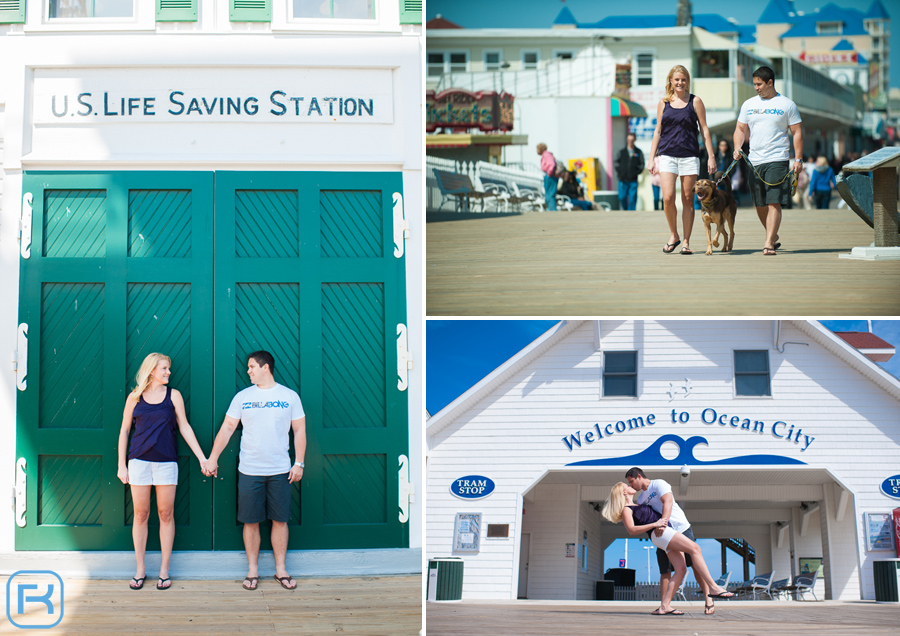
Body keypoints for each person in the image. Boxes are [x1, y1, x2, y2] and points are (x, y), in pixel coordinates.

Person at [205, 351, 306, 591]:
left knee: (280, 521)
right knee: (250, 522)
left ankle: (281, 570)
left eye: (252, 367)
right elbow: (228, 427)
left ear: (266, 367)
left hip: (281, 471)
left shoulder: (289, 396)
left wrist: (299, 462)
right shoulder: (243, 397)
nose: (248, 371)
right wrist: (213, 457)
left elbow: (300, 430)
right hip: (249, 470)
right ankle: (253, 570)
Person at [117, 353, 209, 591]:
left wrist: (202, 457)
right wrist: (121, 465)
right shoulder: (134, 397)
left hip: (166, 462)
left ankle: (164, 570)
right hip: (138, 462)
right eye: (164, 369)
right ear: (151, 370)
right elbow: (124, 431)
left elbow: (185, 427)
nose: (169, 372)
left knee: (165, 513)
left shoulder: (174, 396)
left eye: (168, 368)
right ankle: (140, 569)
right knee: (141, 514)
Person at [625, 468, 734, 615]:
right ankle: (664, 605)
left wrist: (663, 521)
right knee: (666, 570)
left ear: (639, 476)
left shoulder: (658, 484)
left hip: (680, 528)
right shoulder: (640, 499)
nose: (631, 486)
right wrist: (657, 527)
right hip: (663, 533)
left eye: (631, 482)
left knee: (694, 564)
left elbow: (668, 502)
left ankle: (709, 599)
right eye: (628, 484)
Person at [732, 66, 803, 255]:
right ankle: (772, 234)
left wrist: (798, 159)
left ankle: (769, 242)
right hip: (754, 160)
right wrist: (737, 147)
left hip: (778, 159)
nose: (756, 87)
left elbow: (796, 132)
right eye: (754, 84)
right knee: (760, 203)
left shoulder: (787, 105)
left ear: (770, 82)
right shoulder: (748, 104)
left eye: (759, 84)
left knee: (774, 202)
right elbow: (740, 129)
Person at [647, 65, 716, 254]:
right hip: (667, 155)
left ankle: (686, 241)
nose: (680, 83)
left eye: (683, 79)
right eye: (677, 79)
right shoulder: (664, 103)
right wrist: (651, 158)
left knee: (687, 199)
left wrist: (711, 156)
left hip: (689, 156)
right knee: (668, 198)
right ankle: (674, 235)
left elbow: (704, 129)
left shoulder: (695, 101)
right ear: (671, 80)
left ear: (688, 81)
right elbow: (658, 131)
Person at [615, 132, 644, 211]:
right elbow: (616, 163)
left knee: (632, 199)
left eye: (632, 140)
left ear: (634, 140)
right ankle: (625, 211)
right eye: (629, 140)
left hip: (633, 180)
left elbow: (642, 164)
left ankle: (631, 214)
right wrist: (620, 172)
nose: (630, 141)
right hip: (622, 179)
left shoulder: (638, 152)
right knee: (622, 197)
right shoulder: (621, 152)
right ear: (627, 140)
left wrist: (636, 172)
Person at [536, 143, 559, 211]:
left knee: (550, 195)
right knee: (549, 194)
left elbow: (552, 164)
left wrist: (549, 173)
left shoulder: (546, 154)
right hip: (550, 176)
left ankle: (552, 211)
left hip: (550, 176)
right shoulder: (546, 154)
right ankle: (551, 210)